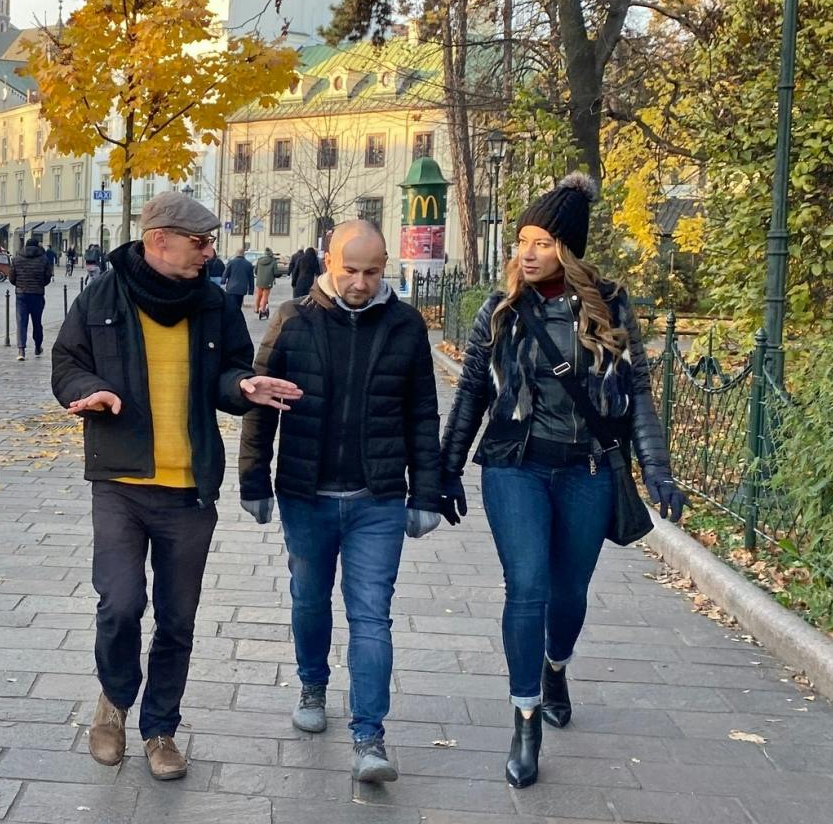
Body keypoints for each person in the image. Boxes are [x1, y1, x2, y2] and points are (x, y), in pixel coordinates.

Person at [437, 173, 687, 789]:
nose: (527, 252)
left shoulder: (608, 306)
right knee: (526, 586)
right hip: (515, 465)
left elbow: (635, 393)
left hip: (589, 467)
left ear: (567, 250)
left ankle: (556, 665)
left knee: (569, 592)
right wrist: (444, 470)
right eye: (522, 239)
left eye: (543, 241)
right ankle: (525, 719)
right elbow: (471, 391)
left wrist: (656, 467)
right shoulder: (500, 311)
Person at [52, 192, 302, 779]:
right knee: (121, 602)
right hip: (120, 480)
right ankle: (113, 702)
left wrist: (243, 387)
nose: (210, 252)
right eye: (200, 241)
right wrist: (87, 391)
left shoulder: (213, 303)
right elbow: (66, 362)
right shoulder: (102, 295)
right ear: (158, 238)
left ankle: (160, 728)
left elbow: (230, 371)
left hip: (190, 489)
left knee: (176, 617)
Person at [239, 222, 440, 782]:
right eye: (350, 270)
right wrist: (253, 480)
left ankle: (369, 737)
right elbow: (260, 402)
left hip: (377, 497)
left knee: (372, 614)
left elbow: (423, 413)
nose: (360, 282)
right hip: (307, 494)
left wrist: (426, 493)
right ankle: (312, 682)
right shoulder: (292, 320)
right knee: (309, 598)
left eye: (372, 271)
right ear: (329, 261)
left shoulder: (404, 325)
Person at [9, 235, 56, 361]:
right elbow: (47, 277)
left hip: (21, 295)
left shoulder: (17, 258)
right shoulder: (43, 259)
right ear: (37, 246)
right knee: (37, 322)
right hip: (37, 294)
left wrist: (20, 285)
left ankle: (21, 350)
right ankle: (37, 347)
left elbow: (12, 278)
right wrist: (40, 284)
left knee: (21, 323)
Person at [253, 246, 278, 320]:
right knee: (265, 296)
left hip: (259, 281)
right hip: (268, 281)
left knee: (258, 295)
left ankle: (256, 308)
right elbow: (276, 272)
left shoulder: (259, 260)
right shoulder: (273, 261)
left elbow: (255, 271)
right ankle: (262, 309)